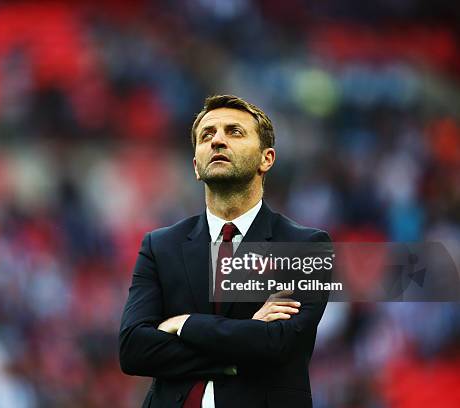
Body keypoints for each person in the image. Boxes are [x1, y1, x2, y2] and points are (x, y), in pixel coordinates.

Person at [119, 95, 331, 408]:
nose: (217, 140)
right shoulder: (160, 246)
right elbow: (134, 350)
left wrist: (187, 325)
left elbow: (279, 344)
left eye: (234, 132)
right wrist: (245, 339)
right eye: (207, 135)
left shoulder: (305, 247)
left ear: (266, 159)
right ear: (195, 166)